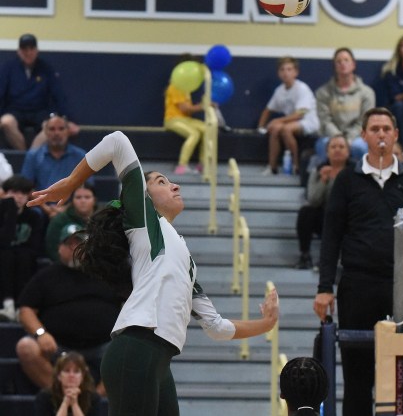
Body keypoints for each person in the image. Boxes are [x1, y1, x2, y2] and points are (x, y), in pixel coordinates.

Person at [27, 130, 280, 415]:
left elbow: (217, 327)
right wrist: (72, 182)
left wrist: (266, 324)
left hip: (160, 362)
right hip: (136, 350)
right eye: (162, 181)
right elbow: (117, 141)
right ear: (144, 197)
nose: (174, 185)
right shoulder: (146, 222)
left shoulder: (185, 260)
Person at [312, 107, 403, 416]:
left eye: (387, 128)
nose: (381, 134)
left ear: (396, 134)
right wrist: (324, 287)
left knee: (402, 377)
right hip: (357, 287)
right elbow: (331, 236)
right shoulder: (346, 180)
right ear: (363, 136)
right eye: (375, 129)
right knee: (357, 379)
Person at [15, 224, 121, 394]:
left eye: (80, 244)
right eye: (69, 244)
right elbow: (26, 310)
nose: (75, 248)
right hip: (58, 347)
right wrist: (41, 334)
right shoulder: (47, 276)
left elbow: (129, 305)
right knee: (26, 347)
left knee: (133, 350)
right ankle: (60, 395)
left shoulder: (108, 274)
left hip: (104, 346)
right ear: (59, 248)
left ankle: (95, 400)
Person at [0, 34, 79, 150]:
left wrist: (69, 120)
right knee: (6, 122)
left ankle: (31, 157)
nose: (28, 53)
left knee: (52, 125)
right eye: (24, 49)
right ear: (19, 51)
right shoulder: (8, 68)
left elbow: (59, 95)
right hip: (15, 111)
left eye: (31, 49)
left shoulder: (46, 69)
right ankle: (24, 157)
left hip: (40, 112)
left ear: (37, 51)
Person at [295, 135, 350, 270]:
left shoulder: (355, 172)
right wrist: (324, 181)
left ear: (348, 152)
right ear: (327, 152)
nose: (337, 150)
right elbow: (313, 200)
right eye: (333, 147)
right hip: (324, 217)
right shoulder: (318, 170)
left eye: (341, 147)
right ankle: (305, 256)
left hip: (348, 219)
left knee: (338, 214)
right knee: (306, 212)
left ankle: (332, 258)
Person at [257, 56, 319, 175]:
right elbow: (267, 110)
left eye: (289, 69)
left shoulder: (302, 88)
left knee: (285, 129)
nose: (286, 73)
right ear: (278, 73)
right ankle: (272, 167)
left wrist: (277, 120)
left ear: (296, 72)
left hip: (308, 122)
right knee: (275, 129)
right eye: (282, 69)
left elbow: (300, 114)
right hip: (291, 122)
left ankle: (295, 166)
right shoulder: (279, 90)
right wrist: (260, 128)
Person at [21, 114, 87, 219]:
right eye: (52, 129)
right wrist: (45, 207)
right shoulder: (33, 156)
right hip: (39, 209)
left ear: (68, 131)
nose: (56, 133)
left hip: (72, 209)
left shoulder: (81, 155)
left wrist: (65, 208)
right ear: (46, 132)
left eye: (61, 129)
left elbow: (86, 186)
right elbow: (26, 186)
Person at [314, 48, 375, 162]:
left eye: (346, 60)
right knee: (323, 147)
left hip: (357, 137)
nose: (343, 63)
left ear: (353, 64)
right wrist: (338, 138)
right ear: (334, 66)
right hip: (329, 136)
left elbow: (364, 122)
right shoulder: (322, 92)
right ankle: (323, 178)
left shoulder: (367, 93)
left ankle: (364, 178)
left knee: (360, 147)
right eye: (339, 61)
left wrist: (348, 140)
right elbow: (325, 120)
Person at [0, 175, 44, 321]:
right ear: (4, 194)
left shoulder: (34, 216)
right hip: (4, 256)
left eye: (23, 193)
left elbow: (35, 247)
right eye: (14, 192)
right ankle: (8, 304)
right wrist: (10, 211)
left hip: (24, 258)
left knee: (23, 257)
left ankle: (21, 306)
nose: (18, 197)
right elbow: (4, 242)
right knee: (6, 256)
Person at [164, 55, 208, 175]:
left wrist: (203, 105)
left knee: (207, 129)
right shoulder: (175, 86)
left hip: (185, 119)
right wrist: (203, 106)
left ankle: (202, 165)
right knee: (194, 134)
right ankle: (182, 166)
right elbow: (184, 108)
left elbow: (188, 111)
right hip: (172, 120)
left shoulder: (186, 88)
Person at [34, 351, 102, 416]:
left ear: (82, 377)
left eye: (76, 371)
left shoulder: (92, 398)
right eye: (67, 371)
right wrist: (65, 403)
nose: (71, 375)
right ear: (59, 376)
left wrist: (74, 404)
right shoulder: (45, 397)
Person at [45, 183, 97, 262]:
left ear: (94, 200)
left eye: (87, 197)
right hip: (66, 266)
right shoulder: (59, 220)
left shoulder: (103, 219)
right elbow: (52, 247)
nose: (83, 201)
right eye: (78, 197)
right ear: (72, 201)